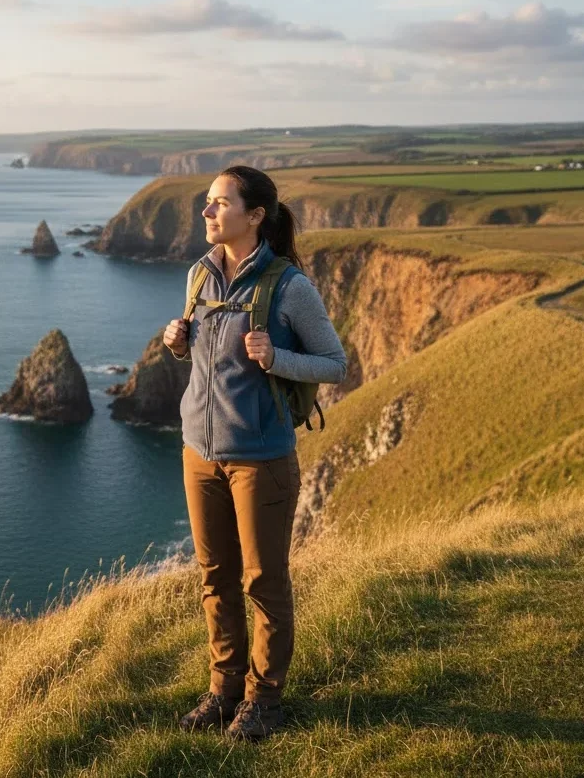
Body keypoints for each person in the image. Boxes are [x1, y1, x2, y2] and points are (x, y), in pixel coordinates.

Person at [162, 165, 347, 742]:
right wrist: (176, 344)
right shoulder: (199, 276)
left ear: (255, 215)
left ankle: (264, 701)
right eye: (207, 203)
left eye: (219, 203)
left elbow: (335, 364)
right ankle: (224, 690)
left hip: (261, 458)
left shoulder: (289, 287)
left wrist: (276, 359)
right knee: (214, 577)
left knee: (263, 581)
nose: (207, 212)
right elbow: (205, 363)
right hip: (199, 452)